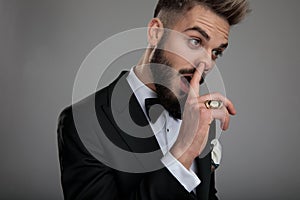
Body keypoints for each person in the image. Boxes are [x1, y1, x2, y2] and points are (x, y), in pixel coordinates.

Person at [57, 0, 249, 199]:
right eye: (195, 41)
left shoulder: (199, 117)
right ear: (156, 33)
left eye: (216, 52)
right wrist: (182, 154)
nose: (207, 63)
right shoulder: (84, 122)